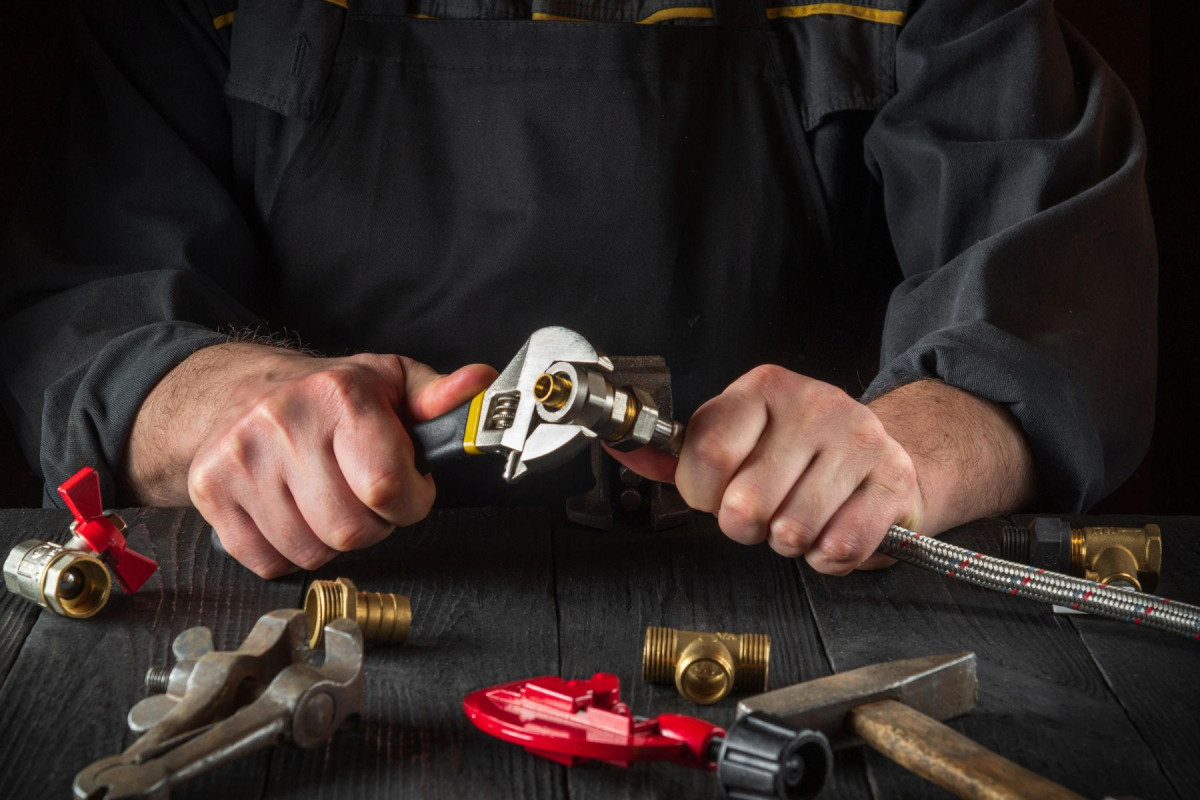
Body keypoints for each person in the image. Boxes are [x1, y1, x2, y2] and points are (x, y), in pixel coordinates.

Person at [0, 0, 1156, 579]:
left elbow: (1050, 292)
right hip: (329, 608)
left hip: (813, 599)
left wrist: (901, 452)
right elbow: (92, 305)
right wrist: (232, 404)